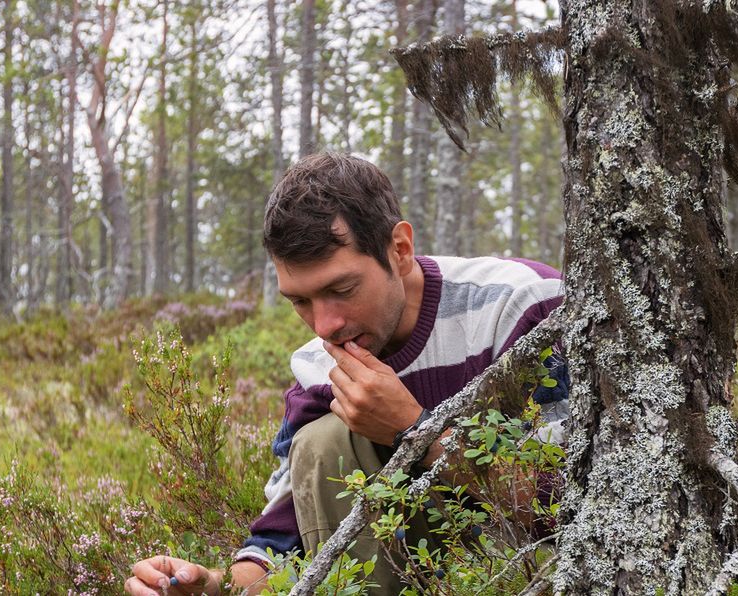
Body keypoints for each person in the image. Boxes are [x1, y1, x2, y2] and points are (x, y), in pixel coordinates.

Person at [125, 153, 566, 596]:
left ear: (400, 250)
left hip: (536, 568)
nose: (324, 326)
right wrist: (214, 587)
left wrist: (414, 430)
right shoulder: (319, 367)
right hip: (411, 569)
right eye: (300, 301)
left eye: (341, 289)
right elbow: (282, 546)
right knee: (324, 441)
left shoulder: (520, 307)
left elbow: (575, 502)